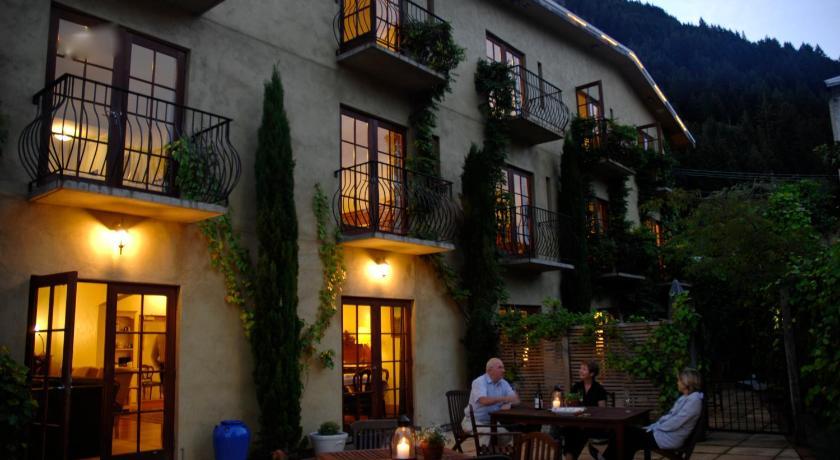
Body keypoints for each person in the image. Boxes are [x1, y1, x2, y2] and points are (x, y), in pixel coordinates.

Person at [604, 368, 703, 460]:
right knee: (626, 435)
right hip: (664, 434)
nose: (677, 383)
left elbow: (676, 422)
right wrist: (655, 427)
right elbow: (672, 418)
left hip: (669, 438)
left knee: (626, 433)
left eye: (679, 380)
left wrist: (656, 428)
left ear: (686, 383)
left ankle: (605, 458)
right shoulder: (686, 398)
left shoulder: (694, 401)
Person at [462, 357, 520, 446]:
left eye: (503, 367)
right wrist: (504, 399)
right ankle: (484, 453)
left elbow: (516, 399)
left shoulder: (503, 383)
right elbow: (483, 400)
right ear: (490, 370)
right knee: (489, 433)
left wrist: (509, 403)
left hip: (492, 422)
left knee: (507, 435)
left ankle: (495, 452)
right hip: (473, 422)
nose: (504, 370)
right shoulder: (479, 382)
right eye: (500, 367)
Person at [557, 360, 608, 460]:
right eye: (580, 368)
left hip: (593, 423)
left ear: (592, 374)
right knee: (569, 429)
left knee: (575, 432)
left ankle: (570, 457)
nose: (580, 371)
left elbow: (602, 410)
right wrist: (566, 402)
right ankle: (570, 456)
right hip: (578, 421)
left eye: (584, 369)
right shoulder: (577, 386)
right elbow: (570, 404)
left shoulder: (599, 389)